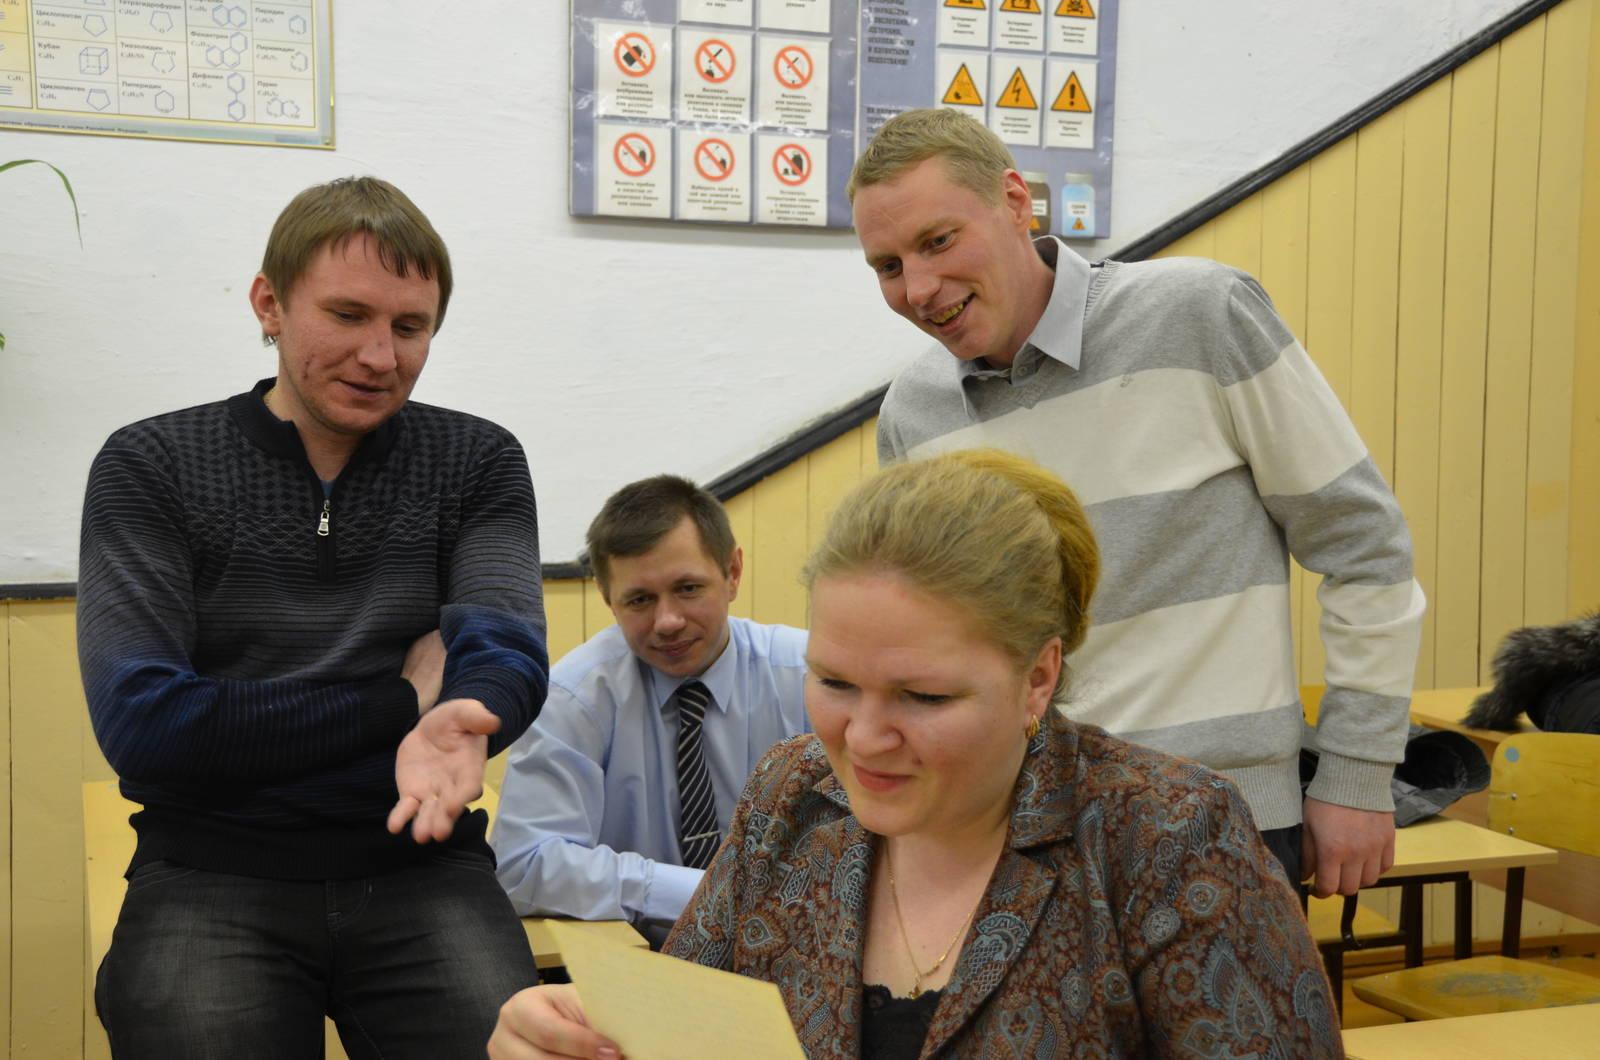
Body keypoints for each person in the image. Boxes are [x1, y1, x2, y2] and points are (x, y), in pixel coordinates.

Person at [487, 450, 1341, 1059]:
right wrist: (570, 1037)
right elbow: (678, 1031)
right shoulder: (792, 795)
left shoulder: (1166, 838)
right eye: (833, 681)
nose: (862, 740)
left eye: (923, 697)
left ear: (1038, 678)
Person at [851, 107, 1426, 898]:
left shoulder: (1200, 314)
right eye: (887, 266)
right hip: (1016, 840)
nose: (918, 289)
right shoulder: (912, 414)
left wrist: (1356, 775)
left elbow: (1365, 547)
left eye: (938, 241)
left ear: (1015, 202)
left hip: (1223, 824)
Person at [78, 176, 548, 1057]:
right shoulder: (151, 464)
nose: (380, 356)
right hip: (209, 866)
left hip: (419, 859)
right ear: (270, 304)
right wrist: (400, 701)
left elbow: (505, 649)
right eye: (347, 315)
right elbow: (145, 725)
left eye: (410, 327)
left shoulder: (476, 460)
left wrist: (460, 708)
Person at [492, 476, 808, 940]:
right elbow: (522, 865)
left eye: (688, 588)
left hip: (794, 948)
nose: (668, 622)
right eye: (640, 600)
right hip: (637, 956)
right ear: (607, 598)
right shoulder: (573, 697)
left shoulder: (809, 678)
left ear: (733, 572)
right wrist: (699, 893)